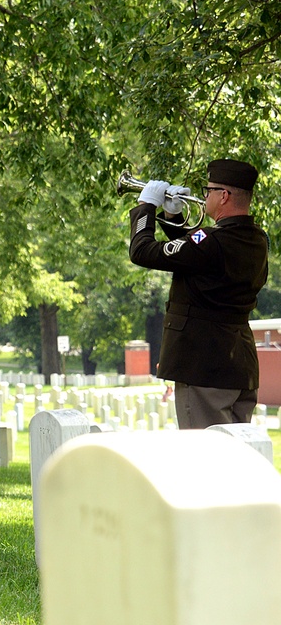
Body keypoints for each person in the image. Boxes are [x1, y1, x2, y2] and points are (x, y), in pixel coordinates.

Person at [129, 159, 268, 429]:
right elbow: (197, 255)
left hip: (203, 367)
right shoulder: (257, 239)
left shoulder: (213, 241)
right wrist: (174, 218)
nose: (204, 197)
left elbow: (142, 251)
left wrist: (146, 206)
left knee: (205, 461)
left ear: (224, 196)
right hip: (239, 367)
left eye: (209, 190)